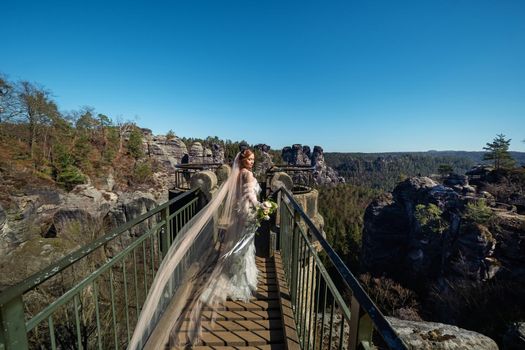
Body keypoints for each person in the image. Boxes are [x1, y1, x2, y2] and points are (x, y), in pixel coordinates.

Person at [128, 149, 261, 349]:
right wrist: (262, 207)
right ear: (242, 160)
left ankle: (237, 275)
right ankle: (241, 279)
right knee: (244, 247)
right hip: (248, 213)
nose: (251, 162)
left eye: (253, 159)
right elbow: (249, 195)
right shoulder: (248, 174)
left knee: (240, 247)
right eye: (249, 159)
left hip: (240, 213)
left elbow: (237, 195)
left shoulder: (238, 174)